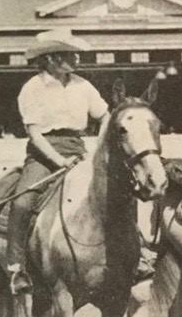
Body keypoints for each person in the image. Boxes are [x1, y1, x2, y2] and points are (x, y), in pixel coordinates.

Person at [6, 29, 110, 294]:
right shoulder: (33, 88)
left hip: (78, 146)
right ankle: (16, 267)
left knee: (114, 193)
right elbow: (34, 133)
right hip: (44, 153)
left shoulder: (83, 85)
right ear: (51, 59)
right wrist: (59, 160)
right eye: (68, 54)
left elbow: (105, 115)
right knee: (22, 201)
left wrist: (98, 147)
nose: (75, 58)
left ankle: (137, 256)